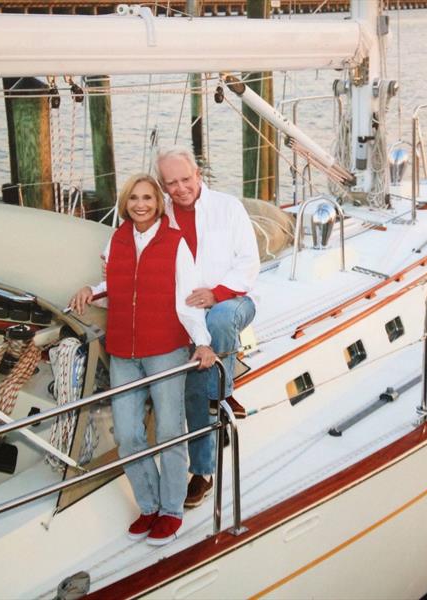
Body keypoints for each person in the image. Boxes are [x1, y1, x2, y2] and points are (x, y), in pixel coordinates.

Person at [69, 173, 216, 545]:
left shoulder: (175, 242)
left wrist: (202, 342)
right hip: (122, 351)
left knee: (169, 433)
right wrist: (92, 289)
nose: (140, 204)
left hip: (165, 350)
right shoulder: (117, 237)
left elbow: (188, 298)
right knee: (129, 434)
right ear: (126, 202)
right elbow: (119, 284)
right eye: (134, 198)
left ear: (158, 203)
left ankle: (170, 510)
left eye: (148, 197)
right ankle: (148, 504)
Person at [155, 146, 260, 509]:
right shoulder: (158, 216)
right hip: (185, 311)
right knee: (193, 377)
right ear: (162, 185)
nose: (181, 188)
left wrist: (215, 294)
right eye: (172, 183)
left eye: (186, 179)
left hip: (233, 301)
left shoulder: (227, 207)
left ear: (198, 174)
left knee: (208, 352)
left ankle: (221, 393)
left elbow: (249, 263)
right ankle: (219, 396)